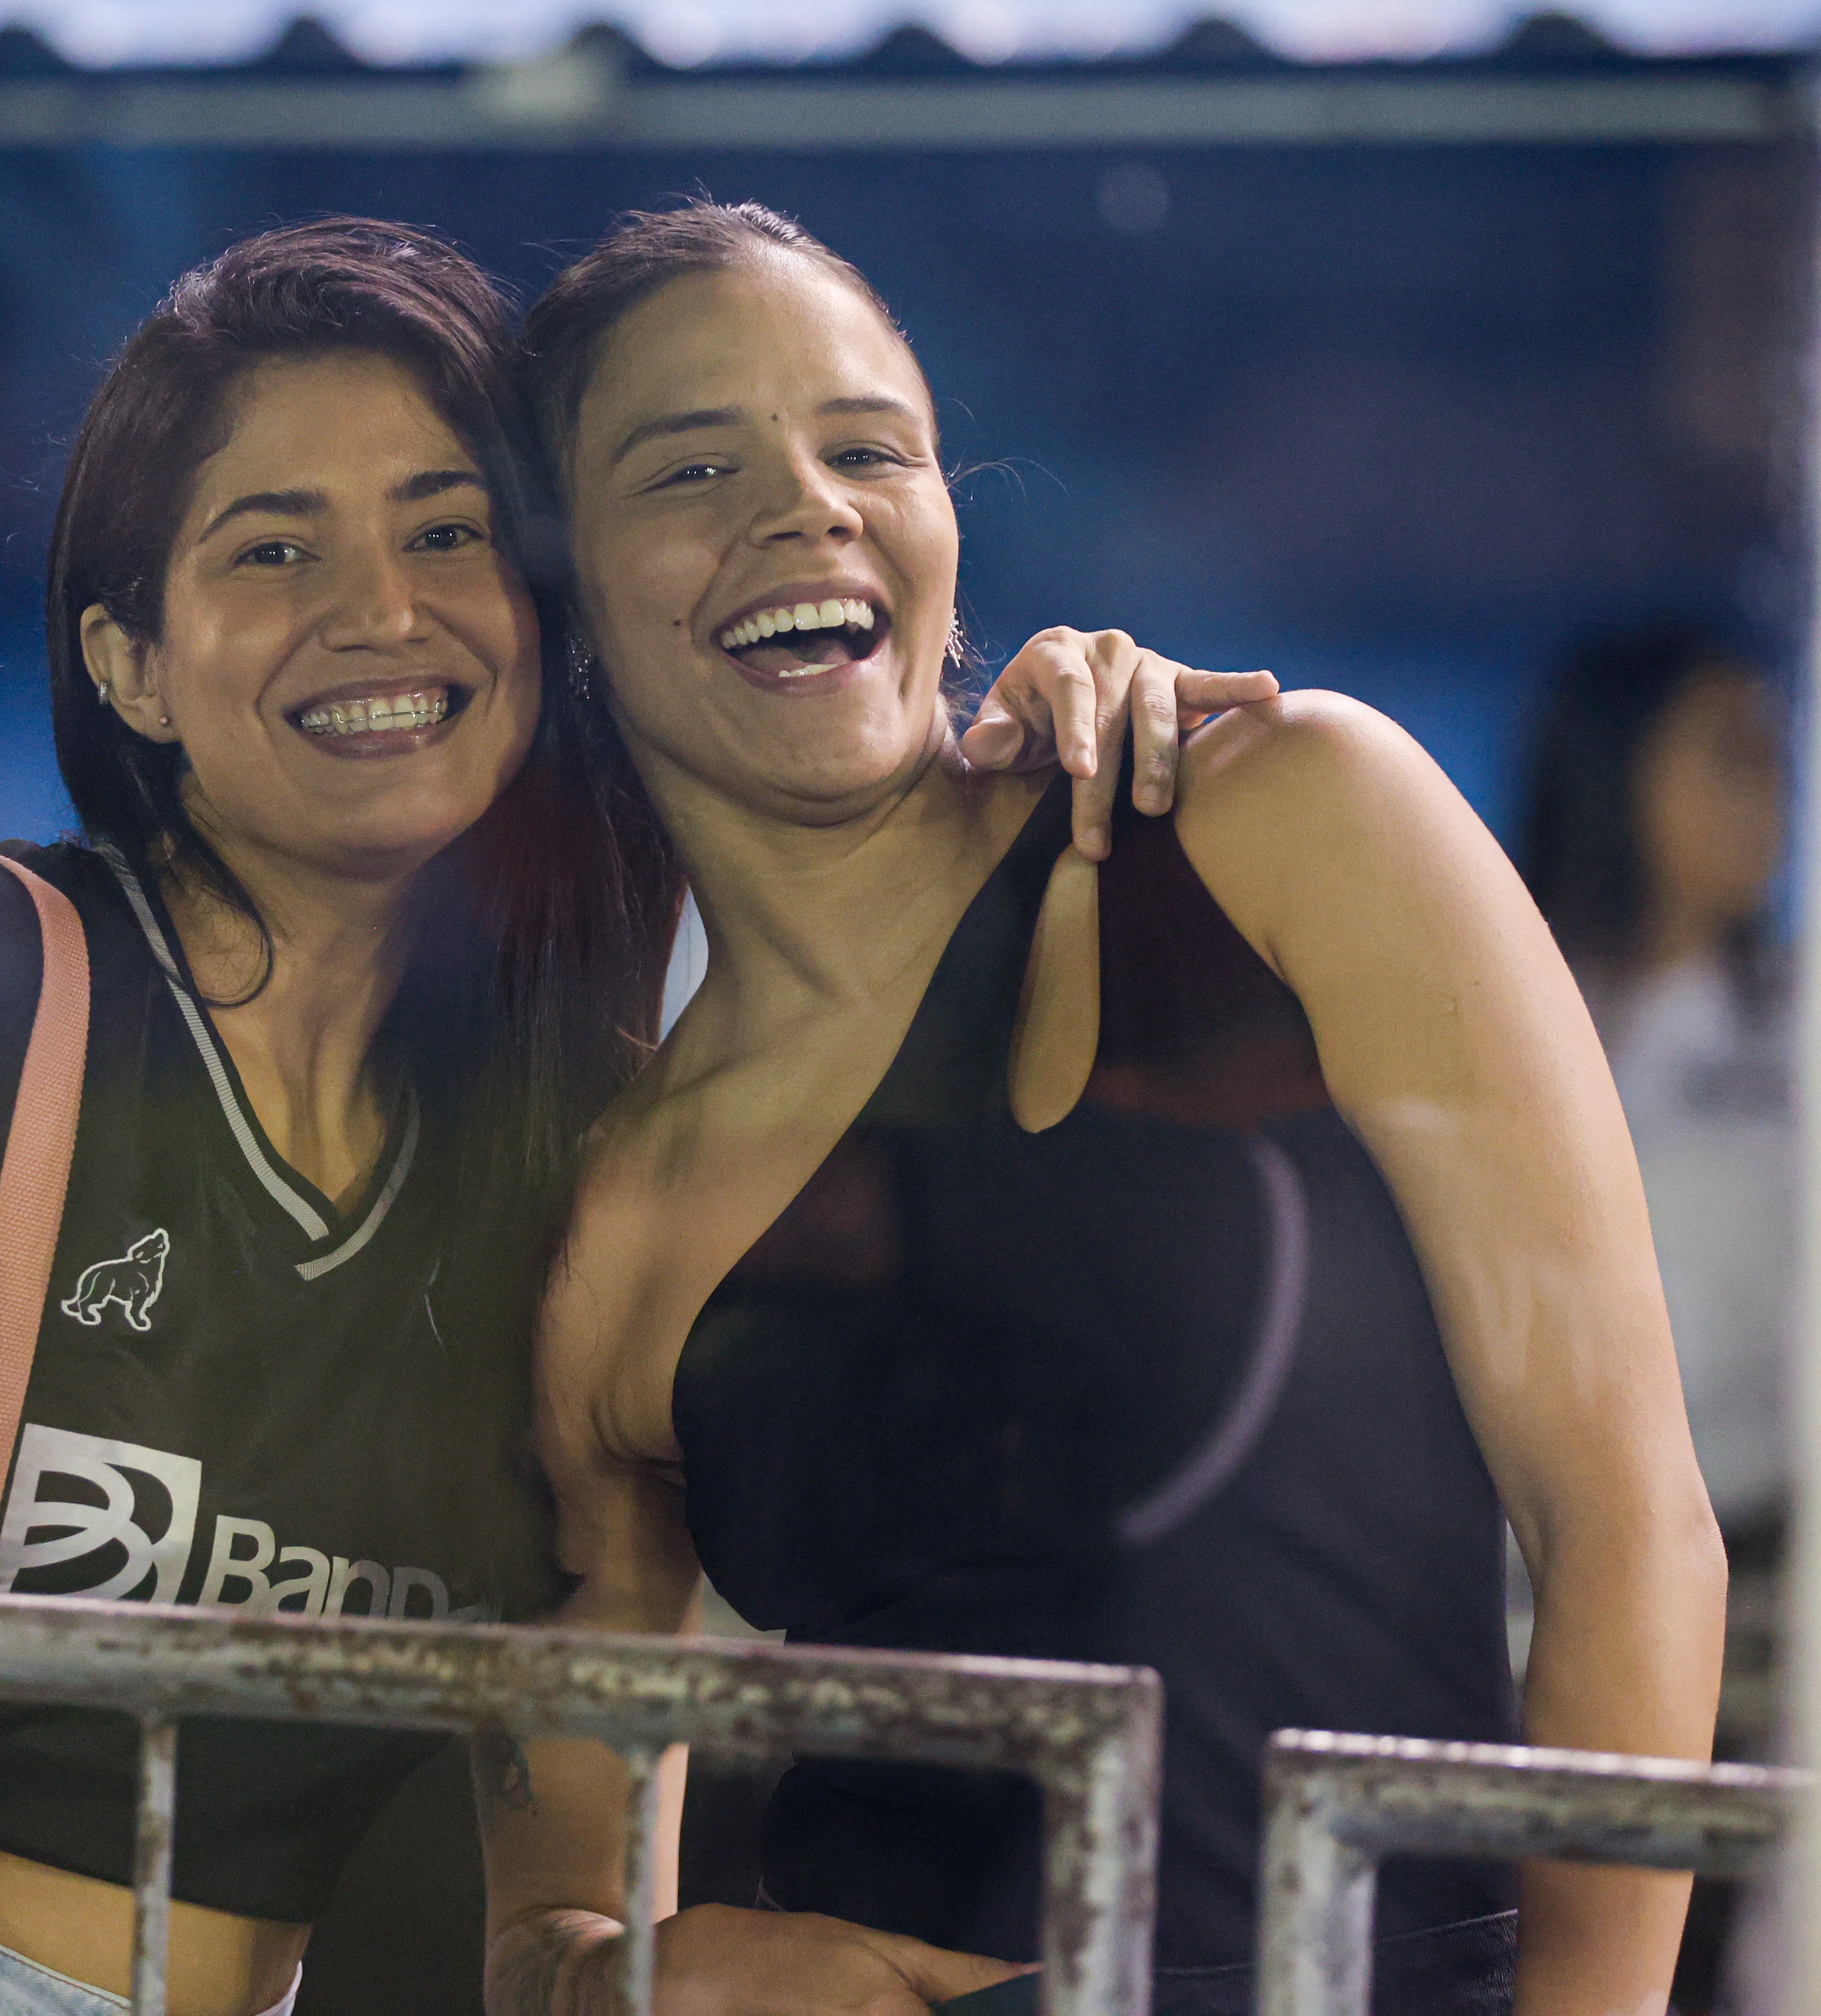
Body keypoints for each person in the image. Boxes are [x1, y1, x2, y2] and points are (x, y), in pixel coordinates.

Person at [0, 218, 1257, 2016]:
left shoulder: (575, 1153)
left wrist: (1063, 735)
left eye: (445, 534)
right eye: (271, 552)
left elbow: (567, 1825)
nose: (378, 612)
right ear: (130, 662)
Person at [481, 203, 1727, 2016]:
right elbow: (552, 1908)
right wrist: (657, 1982)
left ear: (939, 521)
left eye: (865, 448)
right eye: (692, 467)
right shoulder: (611, 1237)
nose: (806, 505)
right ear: (568, 601)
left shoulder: (1286, 825)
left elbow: (1624, 1516)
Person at [1519, 629, 1793, 1552]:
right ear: (1614, 766)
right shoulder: (1508, 1006)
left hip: (1755, 1537)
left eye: (1773, 756)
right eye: (1729, 755)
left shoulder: (1796, 1023)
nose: (1769, 791)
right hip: (1525, 1536)